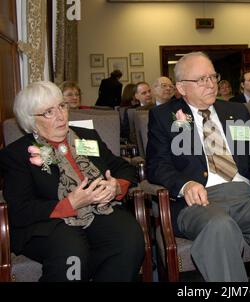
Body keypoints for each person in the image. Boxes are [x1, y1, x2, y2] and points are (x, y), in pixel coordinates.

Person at [146, 52, 250, 282]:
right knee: (220, 226)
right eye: (202, 79)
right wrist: (185, 184)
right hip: (198, 202)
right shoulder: (164, 116)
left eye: (213, 77)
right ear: (182, 87)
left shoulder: (235, 111)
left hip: (244, 196)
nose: (211, 84)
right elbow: (156, 165)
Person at [0, 81, 145, 281]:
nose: (61, 115)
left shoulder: (86, 138)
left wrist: (115, 186)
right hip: (48, 223)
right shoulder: (17, 154)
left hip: (97, 211)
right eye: (49, 112)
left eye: (61, 106)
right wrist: (69, 204)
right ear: (31, 120)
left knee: (129, 237)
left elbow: (123, 168)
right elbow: (20, 210)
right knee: (72, 250)